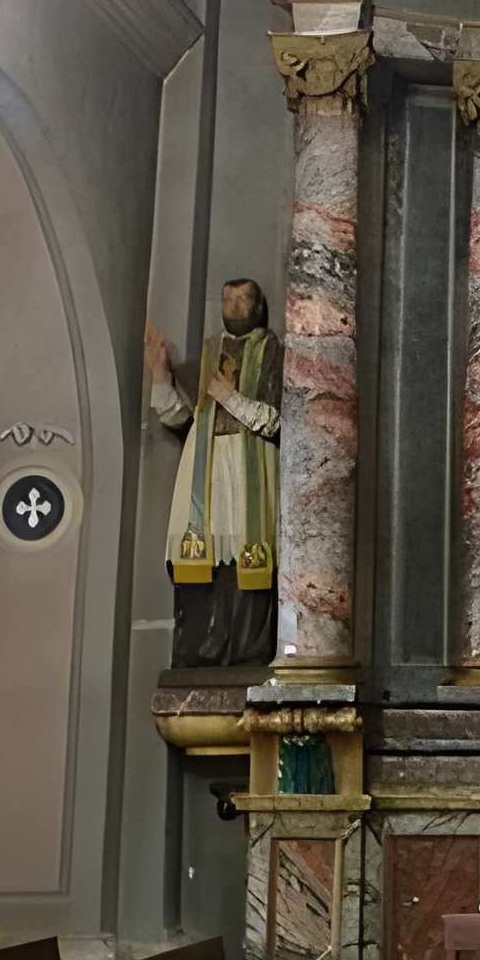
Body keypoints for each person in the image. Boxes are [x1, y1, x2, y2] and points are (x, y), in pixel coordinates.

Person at [145, 279, 281, 669]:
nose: (235, 305)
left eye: (244, 299)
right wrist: (160, 374)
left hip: (249, 465)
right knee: (203, 562)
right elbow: (180, 417)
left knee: (247, 560)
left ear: (258, 307)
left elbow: (273, 420)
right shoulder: (207, 352)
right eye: (228, 298)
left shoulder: (272, 351)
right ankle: (201, 652)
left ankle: (248, 653)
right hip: (204, 470)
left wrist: (229, 398)